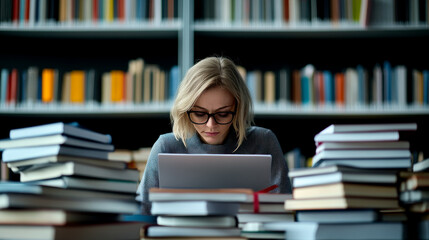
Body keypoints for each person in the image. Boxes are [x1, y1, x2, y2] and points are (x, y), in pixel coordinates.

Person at [136, 56, 292, 214]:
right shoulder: (166, 146)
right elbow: (142, 214)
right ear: (185, 110)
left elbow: (284, 211)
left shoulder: (263, 142)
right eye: (199, 113)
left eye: (223, 114)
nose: (211, 125)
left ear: (238, 109)